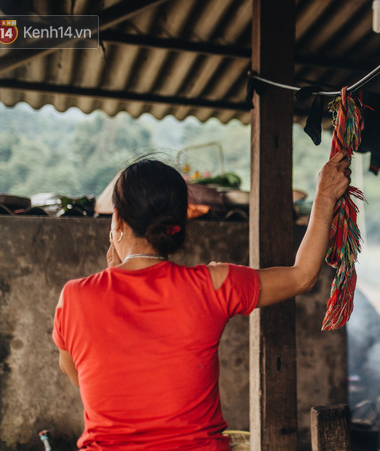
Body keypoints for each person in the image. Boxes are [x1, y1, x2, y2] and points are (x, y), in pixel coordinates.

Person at [52, 152, 351, 450]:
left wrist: (112, 276)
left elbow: (82, 379)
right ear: (180, 223)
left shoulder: (75, 297)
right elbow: (302, 276)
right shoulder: (213, 284)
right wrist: (324, 196)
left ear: (117, 220)